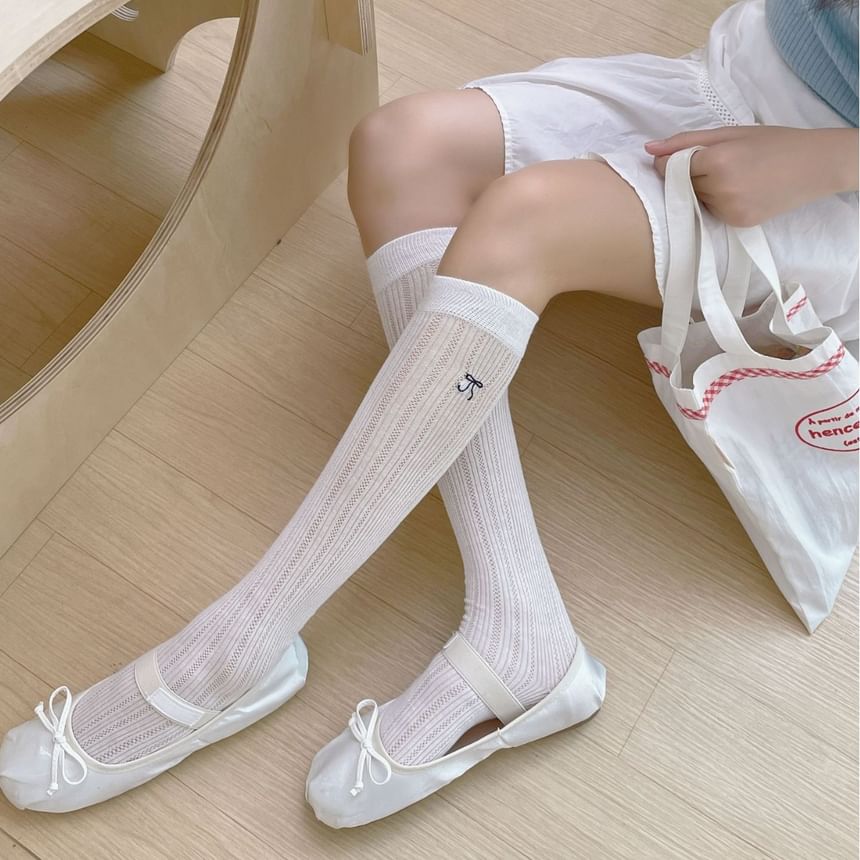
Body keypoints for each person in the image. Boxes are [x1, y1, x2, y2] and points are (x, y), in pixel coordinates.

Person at [1, 0, 857, 827]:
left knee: (525, 224)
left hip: (830, 183)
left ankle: (238, 645)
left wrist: (825, 162)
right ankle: (521, 625)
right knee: (398, 146)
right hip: (735, 72)